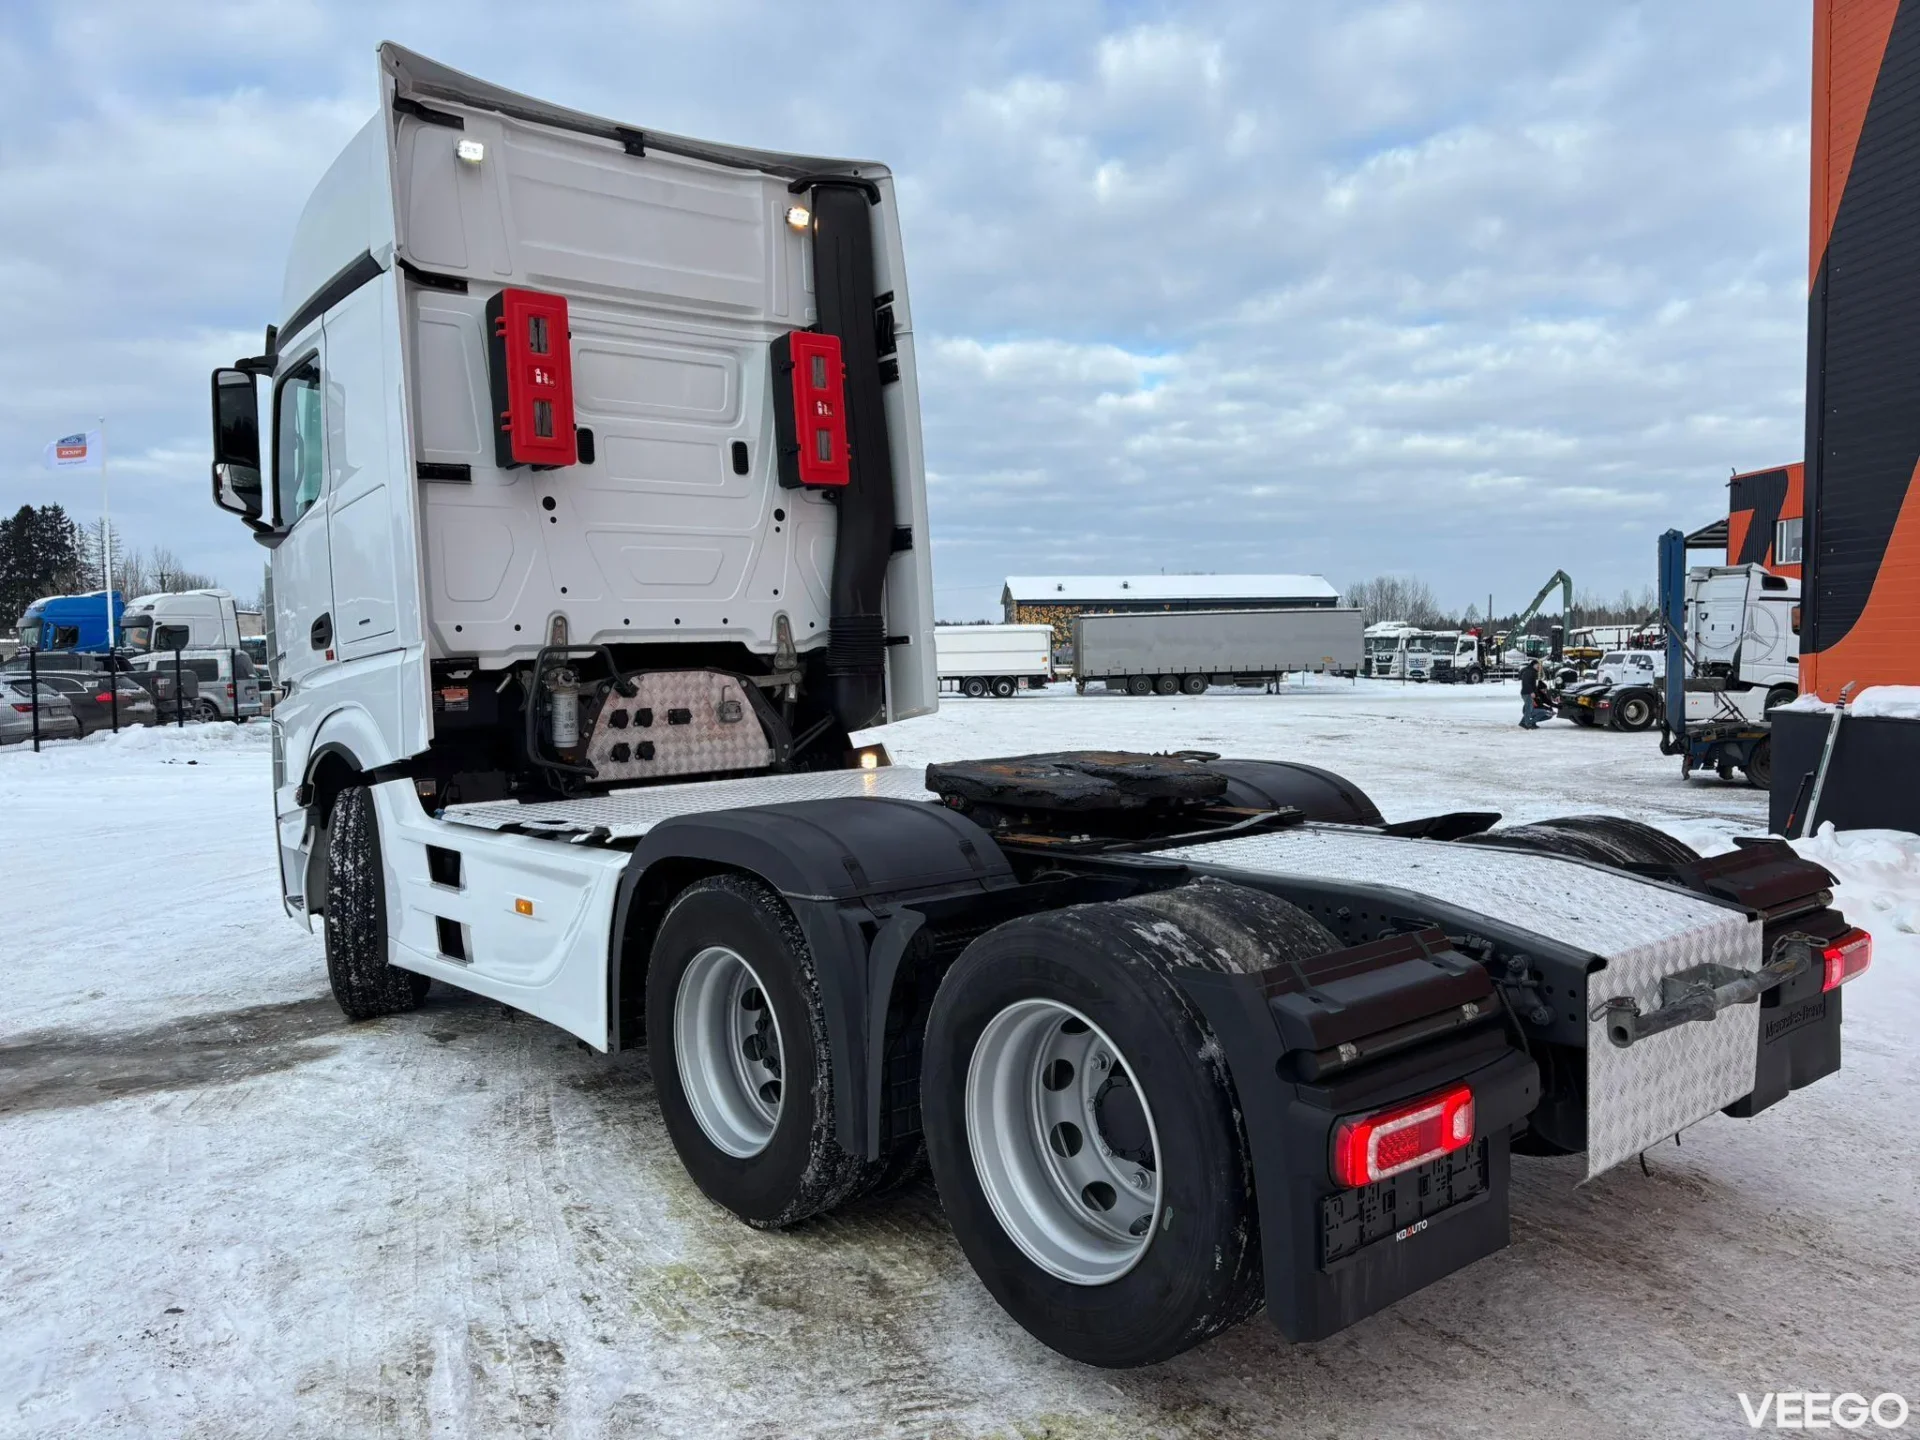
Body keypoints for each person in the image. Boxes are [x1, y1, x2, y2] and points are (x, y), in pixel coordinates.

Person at [1517, 657, 1554, 729]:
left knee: (1529, 708)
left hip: (1528, 692)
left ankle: (1523, 723)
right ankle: (1527, 724)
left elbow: (1532, 684)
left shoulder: (1532, 671)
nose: (1539, 667)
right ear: (1533, 665)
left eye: (1540, 666)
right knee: (1529, 709)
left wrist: (1535, 693)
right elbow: (1526, 683)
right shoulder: (1529, 672)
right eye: (1538, 665)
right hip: (1527, 693)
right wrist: (1531, 692)